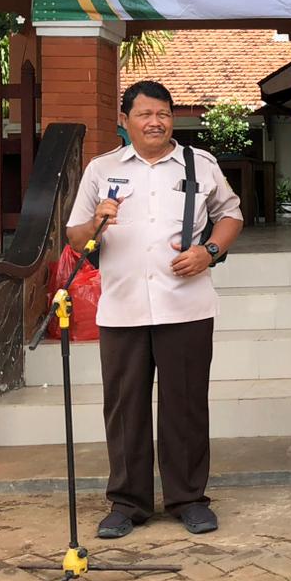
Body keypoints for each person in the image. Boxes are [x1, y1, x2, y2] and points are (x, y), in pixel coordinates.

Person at [66, 80, 243, 539]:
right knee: (125, 409)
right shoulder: (101, 169)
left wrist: (210, 252)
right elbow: (75, 235)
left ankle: (188, 498)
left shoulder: (199, 164)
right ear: (124, 121)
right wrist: (97, 221)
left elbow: (231, 214)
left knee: (185, 406)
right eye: (144, 114)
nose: (155, 121)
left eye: (163, 113)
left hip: (186, 305)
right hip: (122, 307)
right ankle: (128, 502)